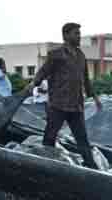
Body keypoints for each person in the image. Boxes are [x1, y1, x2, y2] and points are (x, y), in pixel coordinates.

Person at [33, 22, 102, 169]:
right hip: (58, 105)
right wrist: (33, 84)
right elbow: (43, 72)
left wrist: (95, 97)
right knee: (50, 137)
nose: (79, 36)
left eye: (79, 33)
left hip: (76, 105)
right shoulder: (56, 54)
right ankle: (44, 166)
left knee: (82, 139)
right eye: (76, 33)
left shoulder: (81, 56)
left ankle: (91, 167)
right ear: (65, 35)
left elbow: (86, 79)